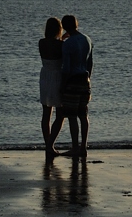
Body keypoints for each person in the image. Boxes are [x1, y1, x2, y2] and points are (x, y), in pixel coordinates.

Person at [55, 14, 93, 157]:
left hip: (72, 81)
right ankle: (83, 146)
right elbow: (90, 63)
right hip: (84, 79)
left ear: (64, 27)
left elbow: (66, 68)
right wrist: (88, 78)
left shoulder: (68, 44)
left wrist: (62, 86)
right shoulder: (87, 40)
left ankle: (75, 147)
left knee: (72, 115)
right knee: (83, 115)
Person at [38, 17, 63, 157]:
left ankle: (48, 144)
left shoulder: (41, 42)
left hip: (45, 76)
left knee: (46, 113)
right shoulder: (61, 45)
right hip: (57, 76)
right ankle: (50, 145)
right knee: (60, 113)